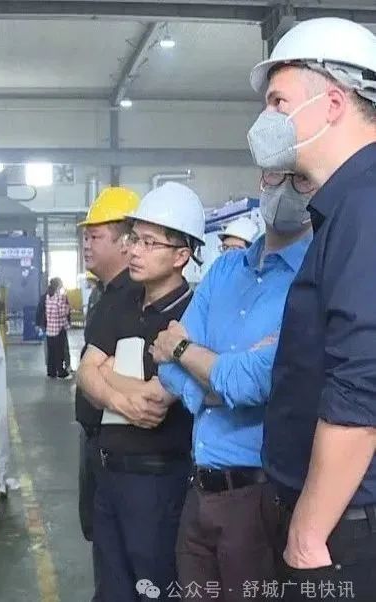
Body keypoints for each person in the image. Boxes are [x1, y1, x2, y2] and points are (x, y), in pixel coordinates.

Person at [247, 17, 376, 600]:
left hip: (343, 529)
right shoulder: (344, 206)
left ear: (333, 104)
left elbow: (364, 385)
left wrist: (307, 534)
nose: (265, 120)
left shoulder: (366, 204)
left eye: (278, 101)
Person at [153, 172, 314, 601]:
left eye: (299, 178)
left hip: (259, 498)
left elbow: (256, 380)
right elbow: (168, 370)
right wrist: (220, 378)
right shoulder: (225, 269)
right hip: (198, 491)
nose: (283, 187)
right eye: (274, 174)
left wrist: (186, 350)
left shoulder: (312, 279)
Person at [77, 182, 205, 601]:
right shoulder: (121, 299)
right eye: (134, 239)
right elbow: (85, 371)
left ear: (181, 255)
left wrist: (108, 372)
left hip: (158, 482)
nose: (135, 251)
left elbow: (154, 403)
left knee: (153, 587)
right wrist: (117, 395)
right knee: (112, 589)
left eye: (149, 243)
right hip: (108, 474)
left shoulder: (193, 314)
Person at [76, 186, 141, 602]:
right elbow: (93, 368)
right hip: (95, 437)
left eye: (95, 236)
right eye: (85, 236)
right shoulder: (104, 294)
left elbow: (126, 374)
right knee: (103, 541)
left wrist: (99, 375)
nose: (86, 244)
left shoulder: (134, 296)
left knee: (123, 556)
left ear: (124, 242)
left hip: (120, 444)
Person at [44, 277, 70, 378]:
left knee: (51, 352)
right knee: (59, 351)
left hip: (50, 329)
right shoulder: (60, 297)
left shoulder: (48, 296)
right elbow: (62, 313)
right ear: (58, 286)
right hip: (58, 329)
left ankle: (51, 371)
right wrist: (67, 307)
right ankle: (60, 371)